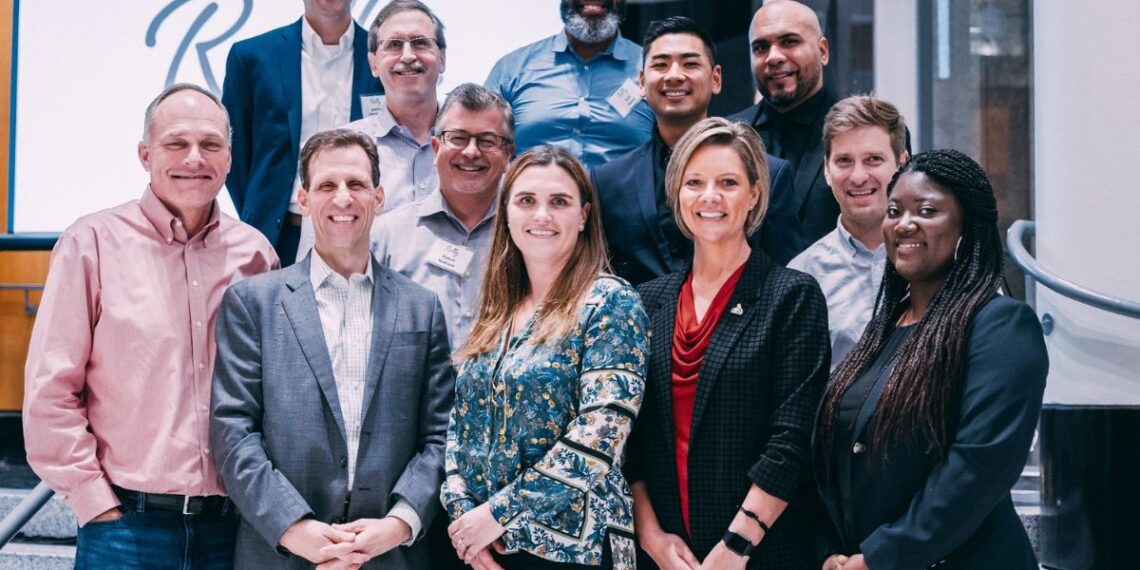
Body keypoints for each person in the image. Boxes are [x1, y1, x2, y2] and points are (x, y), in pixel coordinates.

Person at [23, 83, 277, 569]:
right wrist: (93, 500)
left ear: (229, 157)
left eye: (210, 145)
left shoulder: (256, 254)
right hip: (125, 530)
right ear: (145, 154)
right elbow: (51, 391)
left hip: (231, 528)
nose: (195, 158)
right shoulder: (91, 244)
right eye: (176, 144)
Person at [211, 129, 455, 569]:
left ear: (379, 197)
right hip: (282, 552)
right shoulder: (253, 304)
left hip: (390, 554)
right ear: (302, 200)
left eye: (356, 185)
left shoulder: (422, 308)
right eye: (326, 186)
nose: (343, 198)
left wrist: (399, 523)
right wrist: (293, 527)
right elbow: (233, 432)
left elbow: (440, 436)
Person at [813, 149, 1048, 570]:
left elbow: (977, 468)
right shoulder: (883, 328)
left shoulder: (1001, 326)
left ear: (965, 227)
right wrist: (828, 550)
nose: (904, 224)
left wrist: (881, 557)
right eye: (894, 210)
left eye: (926, 210)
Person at [628, 117, 830, 569]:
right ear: (676, 193)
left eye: (728, 182)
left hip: (759, 554)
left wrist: (738, 544)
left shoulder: (792, 296)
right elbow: (631, 438)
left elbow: (791, 439)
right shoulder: (646, 301)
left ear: (755, 193)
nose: (710, 197)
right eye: (694, 182)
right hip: (665, 556)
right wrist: (652, 537)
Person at [441, 146, 650, 570]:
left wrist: (496, 515)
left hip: (576, 551)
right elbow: (459, 428)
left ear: (584, 216)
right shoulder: (498, 311)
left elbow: (601, 433)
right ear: (507, 214)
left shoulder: (610, 301)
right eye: (526, 201)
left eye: (559, 202)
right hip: (488, 549)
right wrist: (463, 513)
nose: (541, 215)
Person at [592, 16, 806, 285]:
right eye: (661, 64)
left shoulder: (768, 174)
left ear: (716, 79)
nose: (674, 75)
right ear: (642, 82)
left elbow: (788, 278)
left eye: (690, 63)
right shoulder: (608, 182)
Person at [223, 0, 382, 264]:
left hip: (362, 233)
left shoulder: (383, 58)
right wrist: (263, 210)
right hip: (278, 235)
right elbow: (232, 155)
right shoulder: (252, 56)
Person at [298, 0, 449, 257]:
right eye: (393, 45)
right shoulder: (337, 152)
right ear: (373, 64)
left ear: (442, 58)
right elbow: (311, 263)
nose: (408, 55)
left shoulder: (472, 149)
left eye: (420, 42)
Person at [373, 83, 513, 352]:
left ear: (508, 155)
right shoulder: (386, 237)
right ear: (436, 148)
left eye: (487, 140)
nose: (471, 152)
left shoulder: (531, 236)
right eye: (458, 138)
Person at [789, 95, 909, 370]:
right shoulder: (803, 278)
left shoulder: (947, 260)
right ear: (827, 170)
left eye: (873, 160)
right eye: (844, 161)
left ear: (902, 164)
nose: (857, 176)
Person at [486, 0, 654, 170]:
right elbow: (484, 146)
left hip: (624, 196)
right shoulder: (512, 70)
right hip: (533, 193)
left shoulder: (653, 70)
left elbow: (675, 151)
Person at [727, 0, 838, 246]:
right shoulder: (726, 138)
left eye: (789, 41)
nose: (773, 57)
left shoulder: (864, 136)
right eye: (761, 47)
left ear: (823, 51)